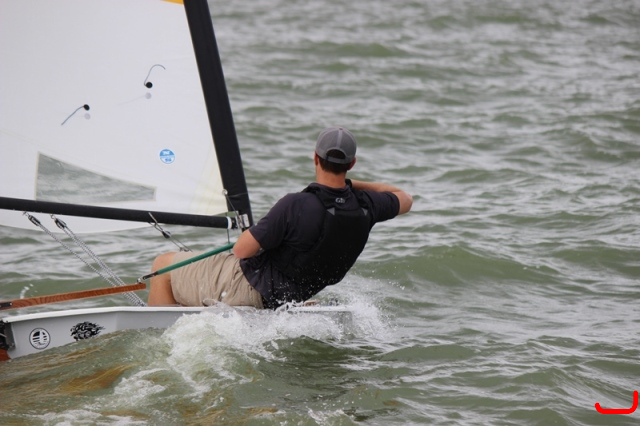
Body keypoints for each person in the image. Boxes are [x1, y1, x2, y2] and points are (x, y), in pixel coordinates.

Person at [148, 127, 412, 309]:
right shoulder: (367, 206)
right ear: (352, 164)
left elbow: (241, 250)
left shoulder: (295, 204)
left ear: (315, 158)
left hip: (252, 288)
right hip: (293, 295)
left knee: (163, 266)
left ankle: (155, 334)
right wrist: (349, 186)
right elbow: (404, 197)